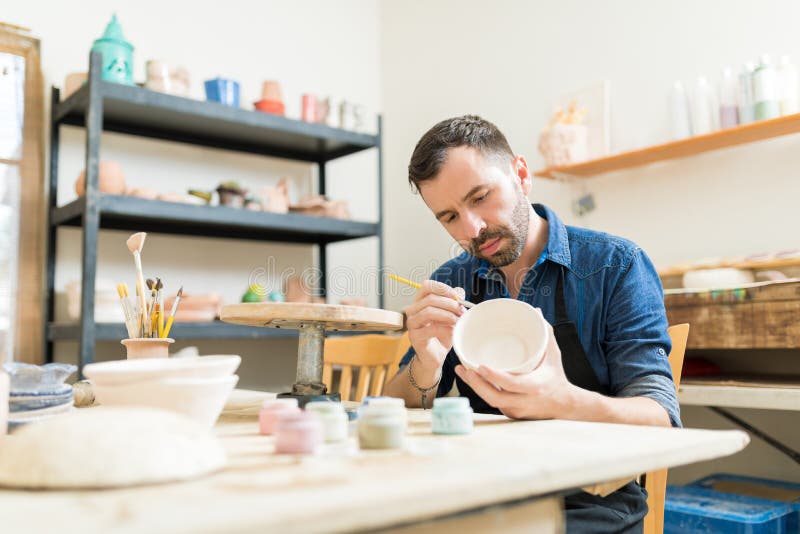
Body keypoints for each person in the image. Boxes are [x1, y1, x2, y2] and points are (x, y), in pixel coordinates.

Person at [383, 115, 680, 533]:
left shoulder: (615, 266)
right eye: (449, 217)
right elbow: (396, 404)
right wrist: (426, 366)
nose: (472, 229)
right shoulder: (454, 279)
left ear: (521, 175)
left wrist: (562, 400)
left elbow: (661, 420)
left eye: (481, 197)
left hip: (588, 502)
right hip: (479, 491)